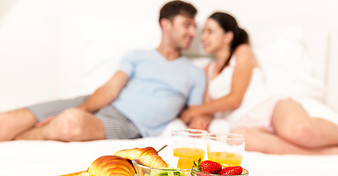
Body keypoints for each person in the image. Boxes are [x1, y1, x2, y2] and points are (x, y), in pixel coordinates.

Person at [0, 0, 206, 142]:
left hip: (131, 125)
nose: (192, 32)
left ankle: (15, 142)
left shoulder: (194, 73)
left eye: (194, 26)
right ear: (166, 25)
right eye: (186, 25)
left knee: (68, 123)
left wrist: (204, 120)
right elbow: (111, 88)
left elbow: (195, 114)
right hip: (97, 102)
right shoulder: (136, 55)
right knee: (6, 121)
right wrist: (82, 108)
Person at [180, 12, 338, 155]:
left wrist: (193, 111)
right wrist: (199, 121)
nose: (203, 37)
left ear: (228, 36)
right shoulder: (207, 70)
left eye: (210, 31)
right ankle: (337, 152)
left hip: (270, 107)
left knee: (298, 130)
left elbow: (234, 99)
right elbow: (208, 107)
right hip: (243, 123)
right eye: (203, 31)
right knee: (240, 140)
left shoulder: (242, 52)